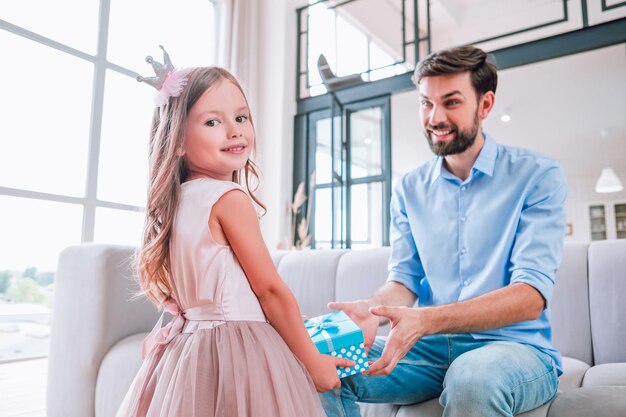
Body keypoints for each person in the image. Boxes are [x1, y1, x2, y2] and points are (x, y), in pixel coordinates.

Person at [321, 45, 567, 417]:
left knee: (472, 379)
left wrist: (427, 320)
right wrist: (373, 309)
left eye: (450, 102)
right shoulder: (409, 189)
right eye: (426, 103)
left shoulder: (538, 176)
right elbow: (404, 279)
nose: (435, 117)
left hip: (516, 349)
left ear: (484, 105)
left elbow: (530, 296)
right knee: (317, 363)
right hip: (430, 349)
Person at [116, 53, 353, 417]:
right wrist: (314, 363)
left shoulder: (178, 203)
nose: (235, 131)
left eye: (241, 117)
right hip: (237, 348)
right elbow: (270, 291)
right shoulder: (228, 197)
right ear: (177, 141)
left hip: (188, 349)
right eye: (213, 121)